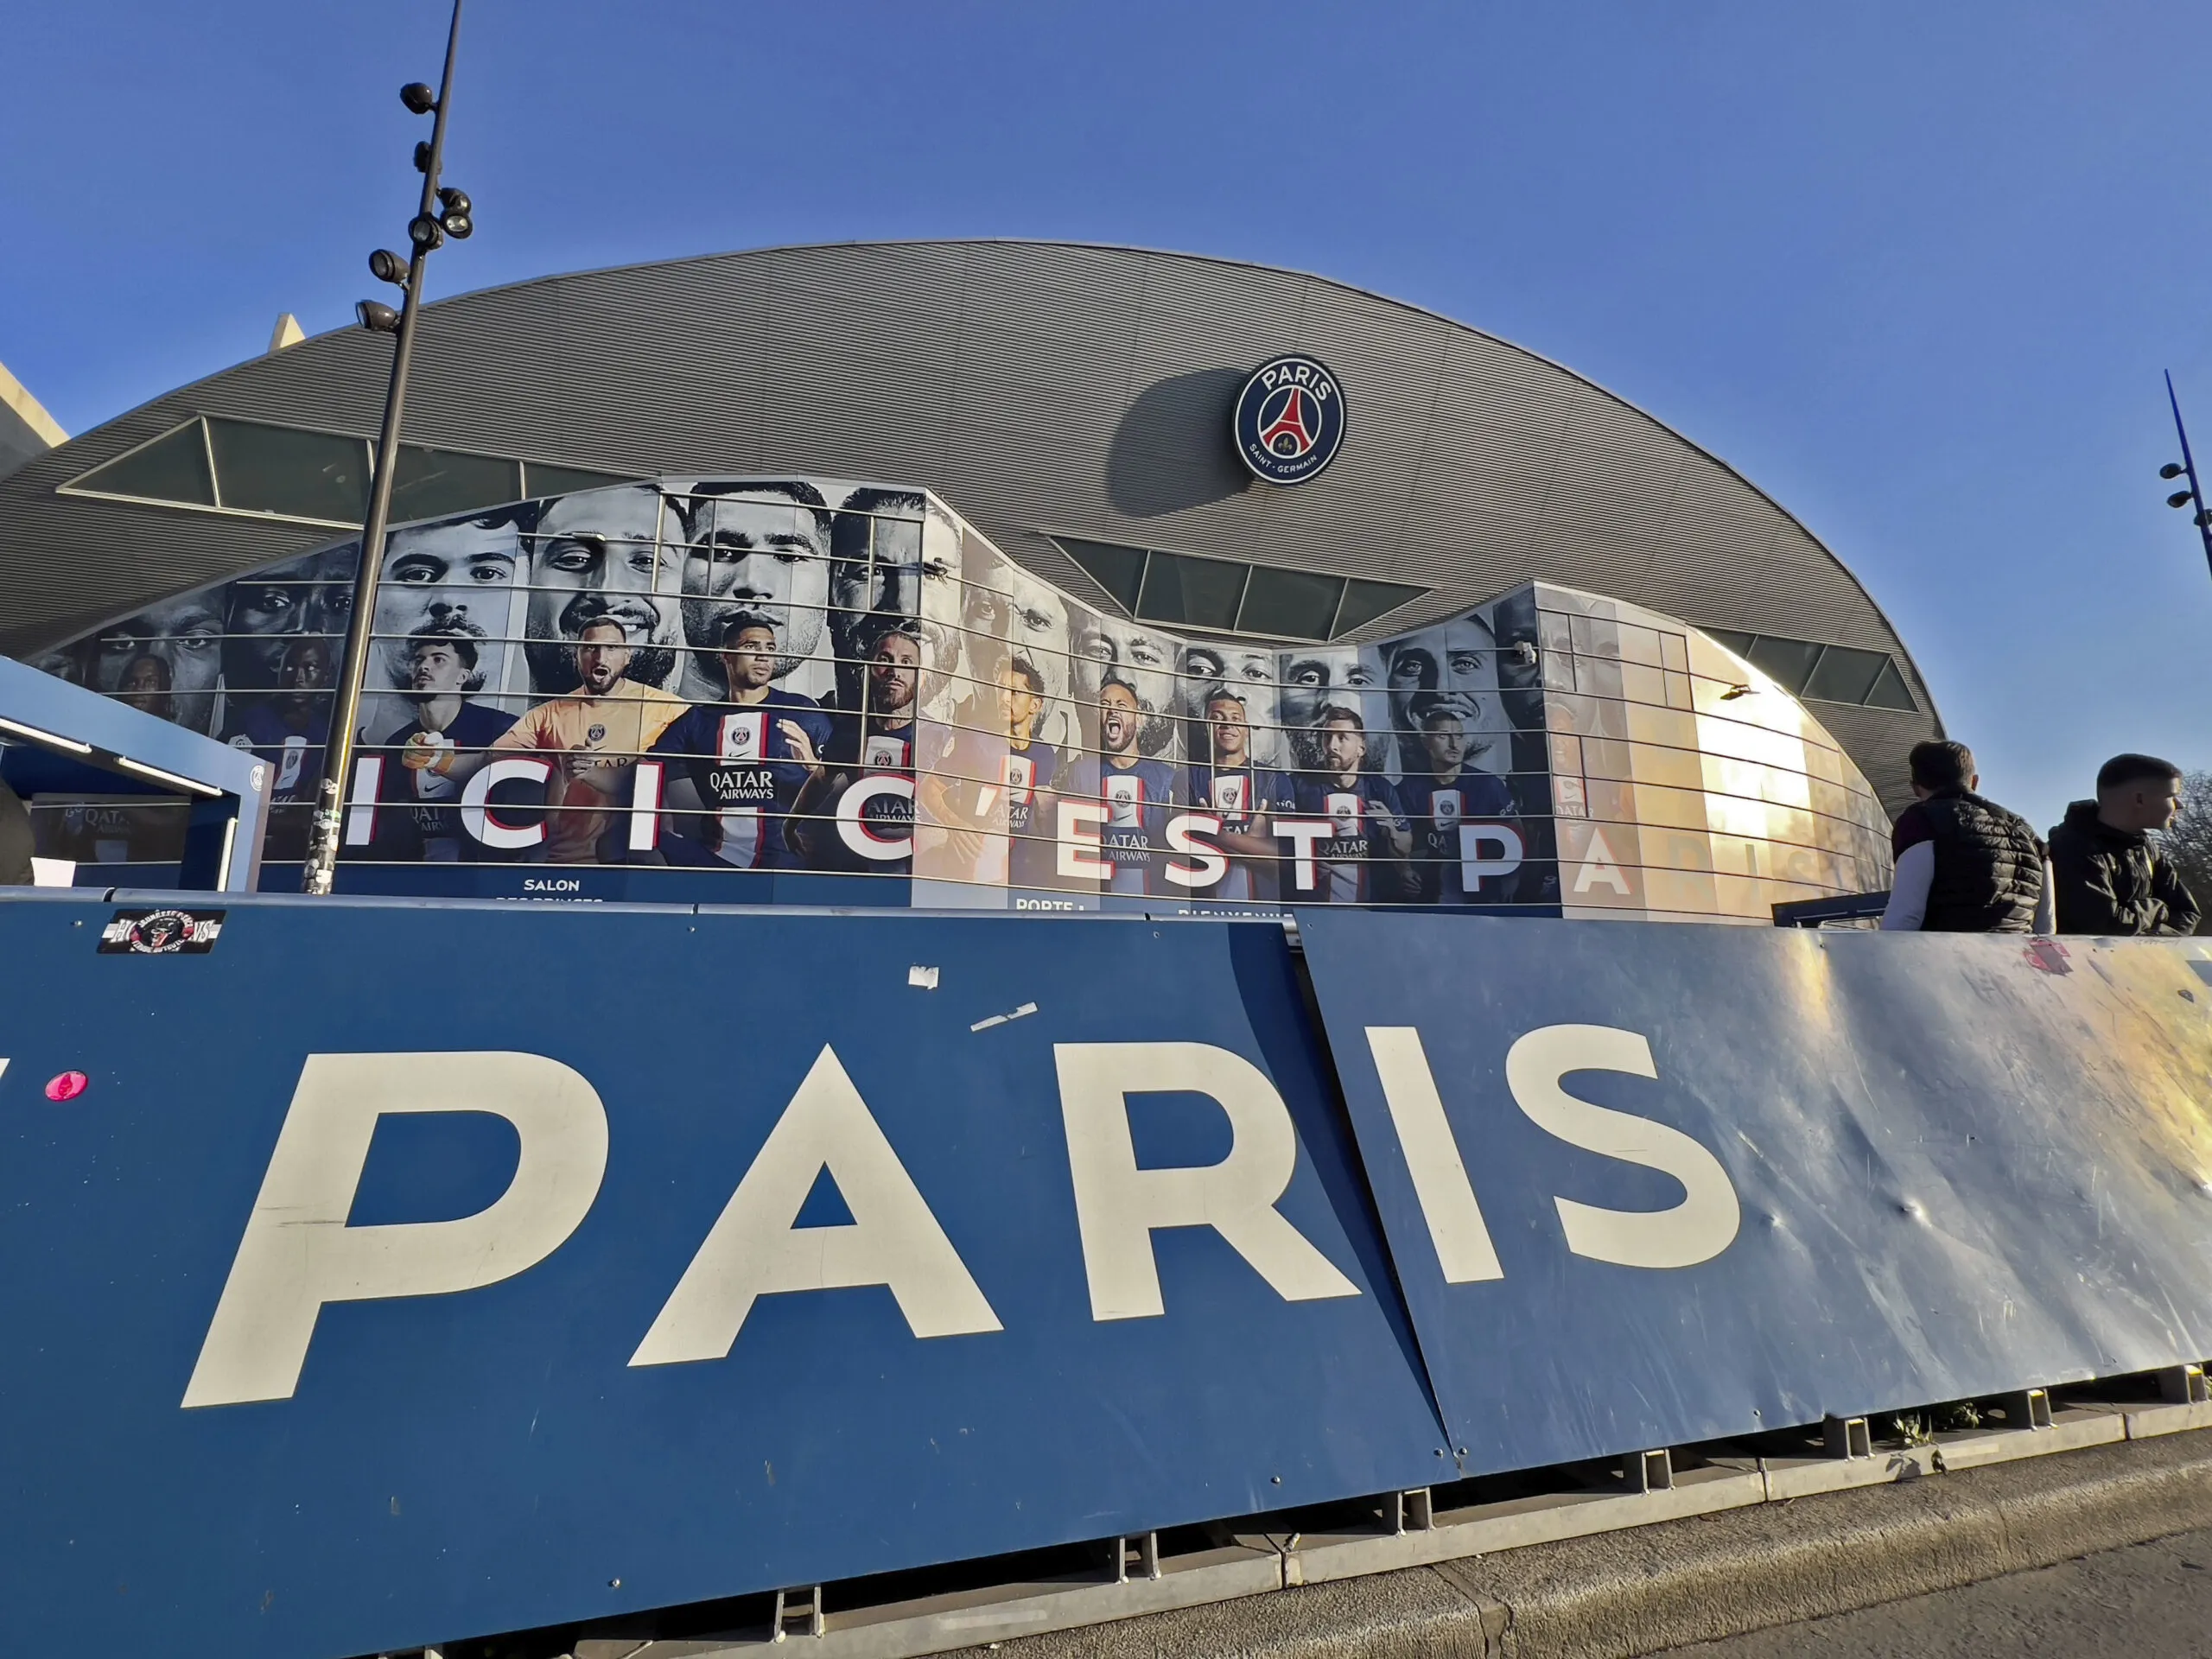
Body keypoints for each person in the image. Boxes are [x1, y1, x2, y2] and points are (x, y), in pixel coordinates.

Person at [489, 617, 686, 864]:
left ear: (627, 656)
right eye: (590, 648)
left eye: (611, 648)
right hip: (564, 861)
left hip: (635, 860)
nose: (600, 657)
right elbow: (487, 761)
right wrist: (440, 760)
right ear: (577, 656)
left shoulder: (667, 709)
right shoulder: (549, 714)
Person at [647, 614, 834, 868]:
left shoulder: (802, 711)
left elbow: (845, 783)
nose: (763, 656)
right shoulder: (699, 719)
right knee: (620, 843)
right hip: (715, 858)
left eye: (770, 648)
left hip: (787, 861)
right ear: (726, 655)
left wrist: (813, 766)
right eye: (751, 647)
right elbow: (648, 766)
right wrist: (661, 822)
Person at [366, 627, 519, 862]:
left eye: (438, 659)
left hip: (482, 868)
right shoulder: (397, 742)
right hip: (416, 874)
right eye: (419, 660)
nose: (424, 667)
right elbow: (388, 818)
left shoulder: (498, 728)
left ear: (462, 677)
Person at [790, 624, 924, 874]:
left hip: (915, 872)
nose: (895, 670)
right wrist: (790, 825)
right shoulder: (850, 733)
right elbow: (822, 778)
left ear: (920, 676)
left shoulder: (936, 738)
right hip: (858, 869)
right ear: (868, 672)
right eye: (885, 660)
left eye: (906, 662)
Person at [1880, 740, 2051, 933]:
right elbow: (2046, 924)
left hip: (1945, 957)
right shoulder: (2026, 831)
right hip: (2016, 959)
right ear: (1974, 782)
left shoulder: (1921, 821)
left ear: (1915, 788)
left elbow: (1905, 916)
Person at [2048, 754, 2201, 937]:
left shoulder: (2148, 849)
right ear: (2139, 799)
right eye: (2171, 796)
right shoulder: (2071, 849)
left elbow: (2188, 914)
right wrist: (2156, 907)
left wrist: (2151, 937)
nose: (2180, 805)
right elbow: (2108, 926)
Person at [1064, 677, 1182, 895]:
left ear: (1139, 720)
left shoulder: (1165, 778)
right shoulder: (1080, 774)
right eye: (1105, 705)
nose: (1111, 711)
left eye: (1121, 705)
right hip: (1097, 902)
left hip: (1151, 904)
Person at [1285, 706, 1409, 903]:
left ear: (1361, 748)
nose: (1332, 746)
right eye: (1327, 737)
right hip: (1315, 907)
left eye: (1342, 738)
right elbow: (1277, 842)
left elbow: (1406, 845)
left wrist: (1392, 830)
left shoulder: (1380, 789)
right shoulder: (1299, 785)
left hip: (1371, 906)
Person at [1186, 686, 1298, 902]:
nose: (1227, 724)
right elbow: (1181, 850)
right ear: (1206, 728)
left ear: (1246, 728)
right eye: (1217, 718)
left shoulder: (1273, 779)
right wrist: (1252, 845)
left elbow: (1287, 859)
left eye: (1235, 718)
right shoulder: (1188, 778)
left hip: (1264, 912)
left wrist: (1218, 835)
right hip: (1203, 912)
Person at [1397, 708, 1520, 904]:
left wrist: (1512, 876)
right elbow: (1400, 840)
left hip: (1483, 890)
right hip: (1431, 893)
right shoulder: (1408, 789)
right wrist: (1406, 872)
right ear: (1425, 742)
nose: (1454, 744)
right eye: (1443, 736)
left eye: (1459, 736)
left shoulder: (1488, 784)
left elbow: (1515, 828)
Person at [997, 656, 1064, 892]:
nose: (1004, 698)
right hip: (984, 867)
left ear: (1035, 705)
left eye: (1014, 692)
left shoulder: (1046, 754)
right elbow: (932, 789)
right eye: (1001, 690)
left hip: (1026, 872)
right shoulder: (981, 742)